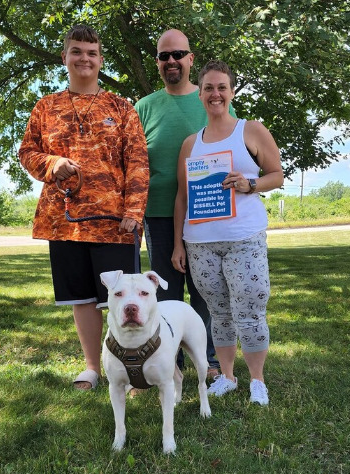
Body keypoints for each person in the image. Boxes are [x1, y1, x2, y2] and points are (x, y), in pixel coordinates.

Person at [19, 25, 149, 391]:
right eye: (76, 51)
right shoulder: (45, 107)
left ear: (100, 60)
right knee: (82, 300)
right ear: (65, 57)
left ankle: (130, 369)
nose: (84, 59)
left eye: (91, 53)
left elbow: (138, 163)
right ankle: (93, 368)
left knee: (123, 300)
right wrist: (52, 163)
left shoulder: (121, 108)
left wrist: (134, 212)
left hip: (114, 223)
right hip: (63, 222)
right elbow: (27, 153)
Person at [172, 60, 284, 405]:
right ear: (200, 95)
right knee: (218, 312)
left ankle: (257, 380)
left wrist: (250, 184)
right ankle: (228, 376)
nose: (215, 94)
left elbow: (276, 174)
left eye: (222, 87)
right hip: (200, 242)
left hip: (244, 238)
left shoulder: (250, 130)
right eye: (208, 88)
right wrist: (178, 243)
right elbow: (182, 196)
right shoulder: (191, 144)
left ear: (231, 92)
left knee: (249, 308)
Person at [135, 29, 236, 377]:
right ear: (158, 63)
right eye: (164, 56)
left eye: (178, 54)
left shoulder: (212, 99)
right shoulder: (144, 108)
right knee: (165, 293)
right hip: (160, 215)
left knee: (205, 289)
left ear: (190, 58)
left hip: (209, 214)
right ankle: (169, 363)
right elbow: (131, 162)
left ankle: (207, 359)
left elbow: (233, 145)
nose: (171, 61)